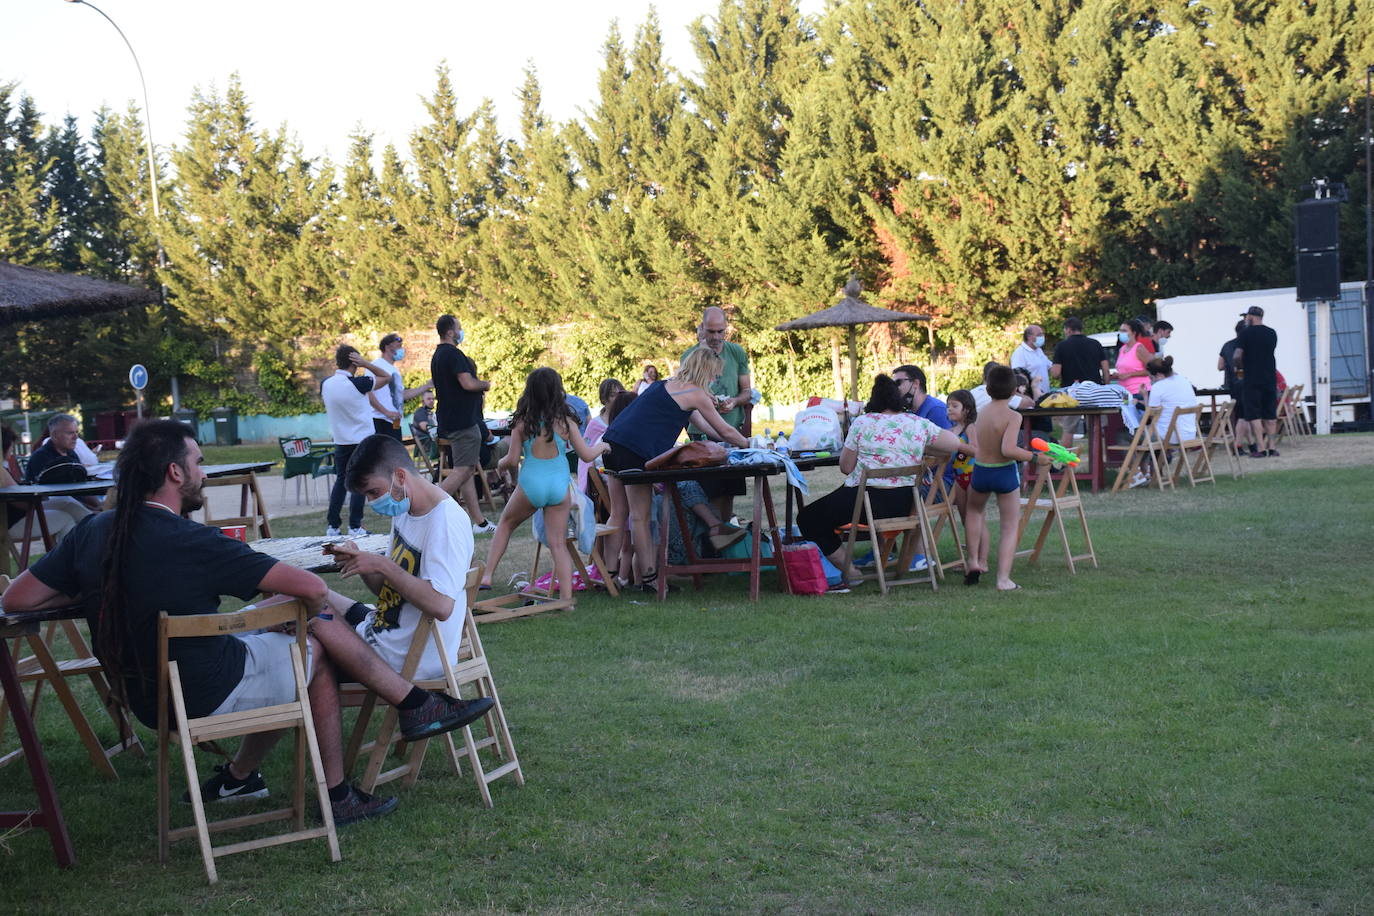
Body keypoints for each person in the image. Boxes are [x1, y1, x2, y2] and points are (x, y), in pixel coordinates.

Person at [1, 419, 492, 825]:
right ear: (175, 473)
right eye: (198, 463)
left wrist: (98, 580)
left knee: (284, 631)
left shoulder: (91, 531)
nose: (204, 473)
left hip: (142, 697)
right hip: (206, 690)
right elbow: (312, 589)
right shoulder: (196, 543)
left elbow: (18, 597)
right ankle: (344, 788)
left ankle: (240, 779)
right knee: (310, 636)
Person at [601, 349, 748, 593]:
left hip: (612, 443)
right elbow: (724, 431)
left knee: (617, 513)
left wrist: (730, 438)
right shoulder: (695, 393)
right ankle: (649, 579)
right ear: (706, 370)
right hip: (634, 451)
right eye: (714, 374)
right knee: (640, 516)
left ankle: (609, 577)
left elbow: (708, 428)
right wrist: (750, 444)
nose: (714, 379)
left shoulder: (665, 385)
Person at [334, 434, 475, 681]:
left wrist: (383, 565)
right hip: (384, 633)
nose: (372, 501)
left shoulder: (445, 522)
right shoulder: (405, 508)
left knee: (310, 633)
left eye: (374, 491)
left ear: (400, 476)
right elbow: (389, 592)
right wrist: (363, 565)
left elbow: (441, 606)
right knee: (311, 594)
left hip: (406, 658)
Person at [796, 374, 962, 582]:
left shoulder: (863, 422)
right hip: (907, 503)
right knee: (827, 512)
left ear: (874, 400)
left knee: (809, 518)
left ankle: (851, 572)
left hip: (866, 504)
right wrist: (920, 446)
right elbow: (953, 444)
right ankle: (858, 567)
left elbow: (846, 468)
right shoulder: (917, 423)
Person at [480, 369, 610, 605]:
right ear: (557, 391)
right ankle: (566, 600)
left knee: (506, 524)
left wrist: (499, 465)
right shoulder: (566, 422)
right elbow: (586, 454)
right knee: (558, 544)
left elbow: (511, 460)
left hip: (531, 484)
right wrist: (604, 447)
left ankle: (487, 575)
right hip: (558, 486)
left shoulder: (522, 422)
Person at [964, 364, 1042, 591]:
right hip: (1004, 472)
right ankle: (1003, 579)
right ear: (1014, 392)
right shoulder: (1013, 416)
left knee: (974, 512)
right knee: (1009, 527)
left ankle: (973, 561)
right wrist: (1034, 457)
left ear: (987, 389)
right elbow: (1008, 449)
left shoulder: (980, 413)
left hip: (980, 469)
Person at [681, 306, 752, 520]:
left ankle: (726, 536)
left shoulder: (736, 352)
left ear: (726, 328)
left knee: (728, 492)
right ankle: (712, 541)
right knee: (707, 493)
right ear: (702, 328)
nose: (716, 337)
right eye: (711, 331)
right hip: (702, 433)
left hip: (731, 428)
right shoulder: (690, 356)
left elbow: (747, 392)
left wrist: (734, 401)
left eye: (720, 331)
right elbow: (686, 397)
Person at [430, 314, 497, 534]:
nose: (461, 331)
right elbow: (467, 383)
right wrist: (485, 384)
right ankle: (426, 506)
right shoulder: (454, 354)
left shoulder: (437, 355)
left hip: (448, 419)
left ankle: (478, 522)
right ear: (450, 331)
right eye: (459, 327)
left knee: (466, 469)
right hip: (462, 421)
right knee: (463, 470)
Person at [322, 345, 392, 537]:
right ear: (354, 362)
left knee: (341, 480)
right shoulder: (359, 384)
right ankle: (354, 526)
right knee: (359, 482)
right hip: (360, 440)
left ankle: (333, 526)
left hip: (341, 440)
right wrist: (366, 364)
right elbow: (387, 377)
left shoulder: (326, 384)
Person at [3, 425, 90, 545]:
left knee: (66, 501)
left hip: (13, 517)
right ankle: (69, 560)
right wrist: (38, 496)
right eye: (12, 447)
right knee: (66, 518)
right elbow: (22, 503)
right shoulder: (1, 472)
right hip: (11, 523)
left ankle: (96, 528)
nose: (12, 451)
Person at [1050, 316, 1109, 448]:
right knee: (1096, 429)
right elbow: (1105, 368)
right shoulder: (1095, 344)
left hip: (1072, 392)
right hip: (1094, 391)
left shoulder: (1062, 346)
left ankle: (1065, 464)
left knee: (1068, 429)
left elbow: (1056, 372)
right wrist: (1105, 386)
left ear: (1069, 330)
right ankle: (1097, 463)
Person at [1234, 305, 1280, 457]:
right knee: (1270, 414)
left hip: (1252, 379)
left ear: (1251, 317)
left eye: (1247, 316)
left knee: (1254, 415)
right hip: (1269, 378)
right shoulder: (1272, 333)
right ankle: (1272, 447)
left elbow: (1237, 356)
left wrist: (1240, 368)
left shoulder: (1244, 333)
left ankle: (1260, 448)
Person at [369, 333, 434, 441]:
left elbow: (401, 395)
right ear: (387, 347)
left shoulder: (394, 370)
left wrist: (427, 386)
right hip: (380, 421)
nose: (401, 349)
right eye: (398, 346)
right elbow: (368, 392)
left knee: (394, 454)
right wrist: (386, 412)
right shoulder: (375, 365)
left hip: (395, 421)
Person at [578, 378, 624, 493]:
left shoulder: (624, 420)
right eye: (613, 395)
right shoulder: (595, 424)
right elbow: (586, 452)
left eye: (620, 394)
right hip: (606, 477)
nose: (617, 398)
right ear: (604, 399)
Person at [1218, 320, 1254, 454]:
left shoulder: (1227, 345)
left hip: (1231, 384)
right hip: (1245, 382)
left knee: (1242, 414)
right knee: (1244, 416)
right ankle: (1237, 446)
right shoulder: (1247, 345)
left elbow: (1220, 366)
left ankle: (1251, 444)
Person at [24, 414, 89, 485]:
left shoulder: (71, 453)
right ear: (55, 435)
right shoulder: (41, 457)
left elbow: (79, 483)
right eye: (70, 433)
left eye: (76, 432)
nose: (76, 437)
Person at [1146, 356, 1197, 444]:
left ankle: (1157, 457)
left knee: (1125, 433)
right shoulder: (1184, 380)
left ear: (1158, 375)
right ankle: (1162, 457)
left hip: (1169, 435)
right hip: (1190, 434)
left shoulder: (1158, 387)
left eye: (1151, 378)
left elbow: (1151, 415)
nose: (1151, 380)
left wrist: (1144, 396)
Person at [1112, 318, 1152, 410]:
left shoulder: (1139, 348)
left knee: (1138, 419)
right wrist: (1117, 375)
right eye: (1120, 330)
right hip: (1125, 393)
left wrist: (1129, 374)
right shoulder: (1122, 349)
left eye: (1124, 331)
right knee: (1127, 417)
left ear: (1133, 333)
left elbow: (1150, 370)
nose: (1121, 333)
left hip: (1139, 392)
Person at [1010, 325, 1052, 398]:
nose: (1042, 337)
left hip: (1044, 395)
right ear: (1029, 337)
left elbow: (1050, 366)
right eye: (1039, 335)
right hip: (1031, 397)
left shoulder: (1039, 350)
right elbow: (1019, 379)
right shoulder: (1020, 353)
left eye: (1042, 334)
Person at [411, 388, 438, 459]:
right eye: (429, 399)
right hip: (427, 443)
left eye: (433, 399)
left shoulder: (430, 412)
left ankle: (445, 465)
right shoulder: (420, 412)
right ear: (423, 402)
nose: (432, 401)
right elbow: (426, 427)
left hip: (432, 441)